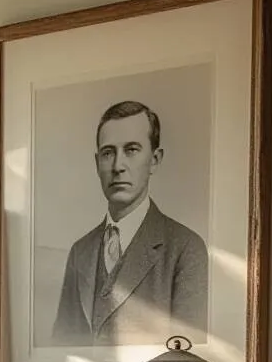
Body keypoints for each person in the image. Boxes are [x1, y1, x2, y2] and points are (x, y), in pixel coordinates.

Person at [51, 100, 208, 346]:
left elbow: (189, 352)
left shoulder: (186, 249)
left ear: (154, 160)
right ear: (97, 163)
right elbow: (59, 349)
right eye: (108, 153)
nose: (117, 166)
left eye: (131, 150)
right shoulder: (80, 251)